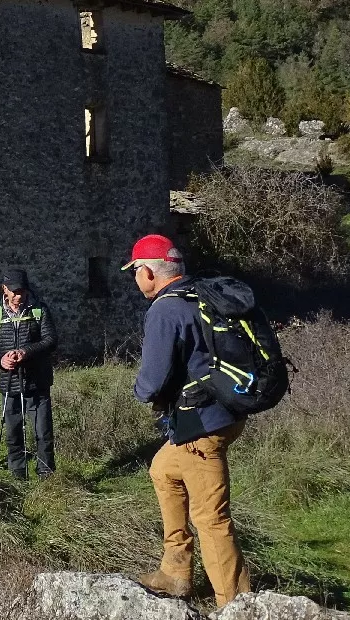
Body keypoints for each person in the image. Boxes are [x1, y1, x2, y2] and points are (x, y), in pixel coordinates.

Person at [125, 234, 251, 608]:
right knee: (163, 470)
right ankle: (176, 572)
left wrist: (142, 392)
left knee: (210, 517)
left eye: (134, 271)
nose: (135, 279)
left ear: (148, 271)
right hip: (224, 412)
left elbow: (151, 380)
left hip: (201, 425)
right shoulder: (200, 295)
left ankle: (236, 605)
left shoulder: (165, 309)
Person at [0, 268, 57, 479]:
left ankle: (46, 476)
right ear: (4, 289)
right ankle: (18, 476)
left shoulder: (39, 310)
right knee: (13, 434)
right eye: (13, 291)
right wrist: (0, 360)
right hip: (10, 384)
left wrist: (26, 351)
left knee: (42, 433)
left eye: (22, 291)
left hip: (38, 382)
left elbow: (51, 340)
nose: (18, 296)